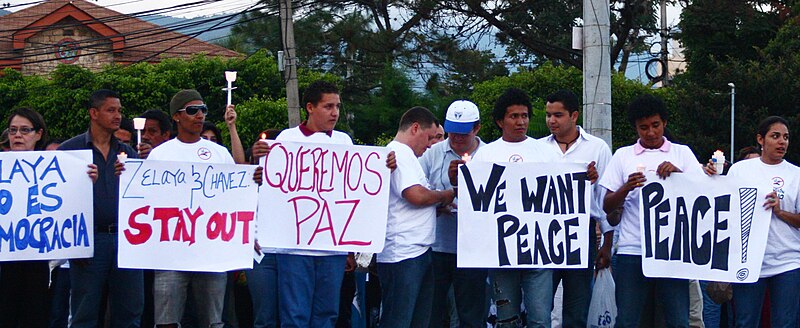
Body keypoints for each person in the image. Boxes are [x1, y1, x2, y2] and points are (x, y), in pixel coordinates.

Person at [251, 81, 395, 328]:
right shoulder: (287, 139)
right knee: (295, 317)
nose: (335, 112)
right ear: (310, 107)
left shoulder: (344, 142)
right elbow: (270, 184)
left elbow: (355, 190)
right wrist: (258, 166)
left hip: (332, 249)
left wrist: (386, 165)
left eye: (337, 106)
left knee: (327, 315)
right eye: (328, 106)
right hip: (294, 248)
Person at [148, 89, 261, 328]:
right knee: (166, 321)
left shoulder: (219, 153)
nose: (200, 115)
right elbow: (146, 200)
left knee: (213, 321)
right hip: (171, 252)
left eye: (203, 110)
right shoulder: (159, 154)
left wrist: (253, 180)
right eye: (192, 110)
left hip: (211, 252)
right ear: (176, 116)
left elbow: (235, 196)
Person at [599, 94, 702, 328]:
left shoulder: (682, 153)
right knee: (627, 319)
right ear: (635, 128)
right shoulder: (623, 155)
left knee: (678, 319)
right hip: (632, 249)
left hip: (673, 251)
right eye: (643, 127)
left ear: (664, 123)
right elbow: (607, 206)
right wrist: (627, 187)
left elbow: (700, 196)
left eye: (655, 125)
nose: (651, 133)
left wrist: (678, 174)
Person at [58, 89, 142, 328]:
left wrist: (130, 178)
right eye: (111, 110)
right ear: (93, 113)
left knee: (129, 311)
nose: (118, 116)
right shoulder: (70, 150)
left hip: (126, 238)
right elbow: (58, 199)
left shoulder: (128, 152)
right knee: (85, 311)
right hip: (89, 238)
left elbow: (142, 196)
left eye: (119, 110)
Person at [718, 116, 800, 327]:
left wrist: (780, 212)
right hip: (749, 260)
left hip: (787, 261)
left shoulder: (796, 174)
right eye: (775, 136)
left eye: (786, 137)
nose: (782, 142)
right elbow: (724, 208)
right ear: (760, 139)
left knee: (785, 323)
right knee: (745, 322)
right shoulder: (740, 170)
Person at [541, 90, 613, 328]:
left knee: (577, 308)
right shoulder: (538, 148)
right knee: (540, 306)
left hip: (580, 233)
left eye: (558, 115)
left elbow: (604, 196)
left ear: (574, 115)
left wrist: (608, 242)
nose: (552, 120)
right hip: (543, 233)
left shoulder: (597, 148)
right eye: (548, 115)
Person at [379, 106, 455, 327]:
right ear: (415, 128)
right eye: (430, 137)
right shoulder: (398, 153)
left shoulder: (408, 156)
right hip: (402, 253)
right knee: (399, 319)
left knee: (418, 319)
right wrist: (446, 195)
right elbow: (416, 195)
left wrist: (437, 206)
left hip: (418, 249)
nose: (432, 144)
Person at [419, 100, 488, 327]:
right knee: (432, 312)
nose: (456, 138)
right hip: (438, 245)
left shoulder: (489, 154)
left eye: (462, 133)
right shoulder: (432, 153)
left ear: (476, 128)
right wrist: (439, 202)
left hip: (473, 250)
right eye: (452, 132)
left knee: (471, 314)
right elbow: (418, 189)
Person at [0, 108, 54, 328]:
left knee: (35, 314)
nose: (17, 136)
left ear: (38, 134)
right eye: (13, 131)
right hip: (4, 257)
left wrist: (88, 177)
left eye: (24, 130)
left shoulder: (54, 169)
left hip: (37, 257)